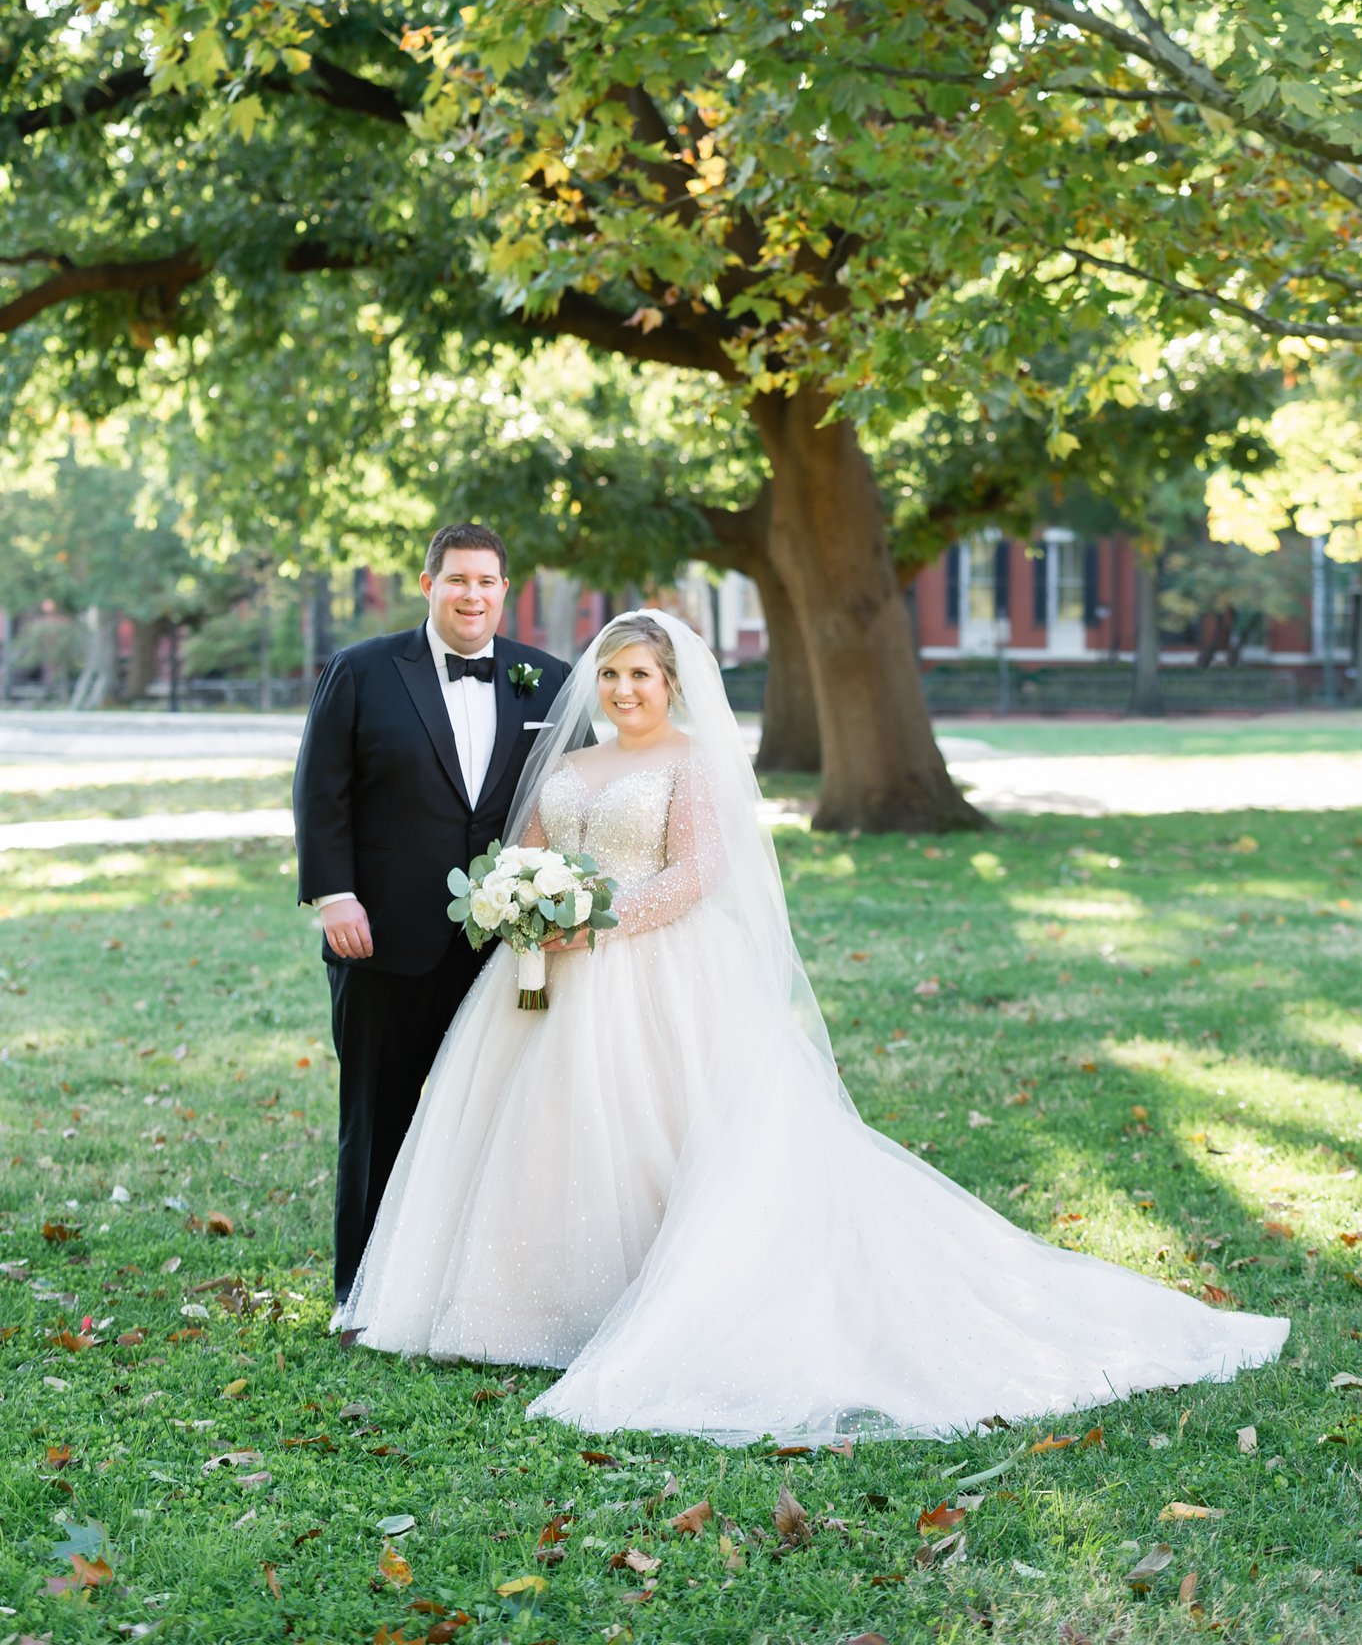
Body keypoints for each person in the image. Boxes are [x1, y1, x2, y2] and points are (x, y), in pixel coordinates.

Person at [339, 609, 1289, 1443]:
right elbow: (528, 850)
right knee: (541, 1135)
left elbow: (698, 872)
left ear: (671, 687)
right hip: (545, 978)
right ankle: (517, 1313)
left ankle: (641, 1300)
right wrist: (520, 900)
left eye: (642, 676)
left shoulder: (689, 763)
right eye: (613, 675)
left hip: (654, 968)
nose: (625, 690)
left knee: (656, 1134)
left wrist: (598, 920)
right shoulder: (574, 764)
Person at [292, 523, 573, 1319]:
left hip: (504, 949)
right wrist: (333, 895)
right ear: (428, 585)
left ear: (504, 590)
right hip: (382, 940)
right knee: (377, 1121)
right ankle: (363, 1296)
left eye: (486, 582)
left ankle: (466, 1297)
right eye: (457, 581)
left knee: (495, 1119)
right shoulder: (360, 672)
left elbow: (571, 798)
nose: (472, 596)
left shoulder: (548, 683)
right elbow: (321, 792)